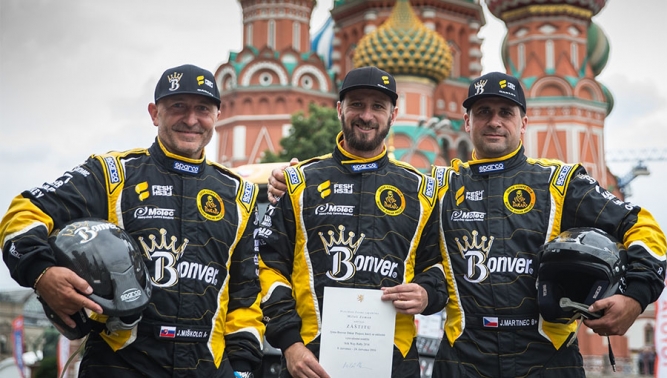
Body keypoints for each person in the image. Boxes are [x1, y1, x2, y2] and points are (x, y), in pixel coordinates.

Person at [267, 71, 667, 377]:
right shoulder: (436, 186)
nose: (494, 122)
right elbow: (370, 179)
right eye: (483, 112)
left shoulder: (560, 181)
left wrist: (636, 296)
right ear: (466, 122)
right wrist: (288, 178)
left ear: (523, 122)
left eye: (505, 113)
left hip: (547, 357)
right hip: (463, 358)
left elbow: (641, 225)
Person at [0, 64, 264, 377]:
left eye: (202, 109)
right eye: (178, 106)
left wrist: (243, 369)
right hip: (119, 364)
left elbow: (246, 296)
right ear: (155, 113)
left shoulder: (239, 194)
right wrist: (41, 272)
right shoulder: (113, 174)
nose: (191, 119)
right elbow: (22, 212)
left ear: (218, 115)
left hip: (206, 367)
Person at [256, 66, 447, 378]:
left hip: (396, 363)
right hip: (309, 360)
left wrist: (427, 294)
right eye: (357, 104)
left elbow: (440, 266)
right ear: (339, 109)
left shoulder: (420, 189)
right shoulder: (300, 182)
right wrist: (289, 344)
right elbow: (268, 267)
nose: (367, 115)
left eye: (378, 107)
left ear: (393, 114)